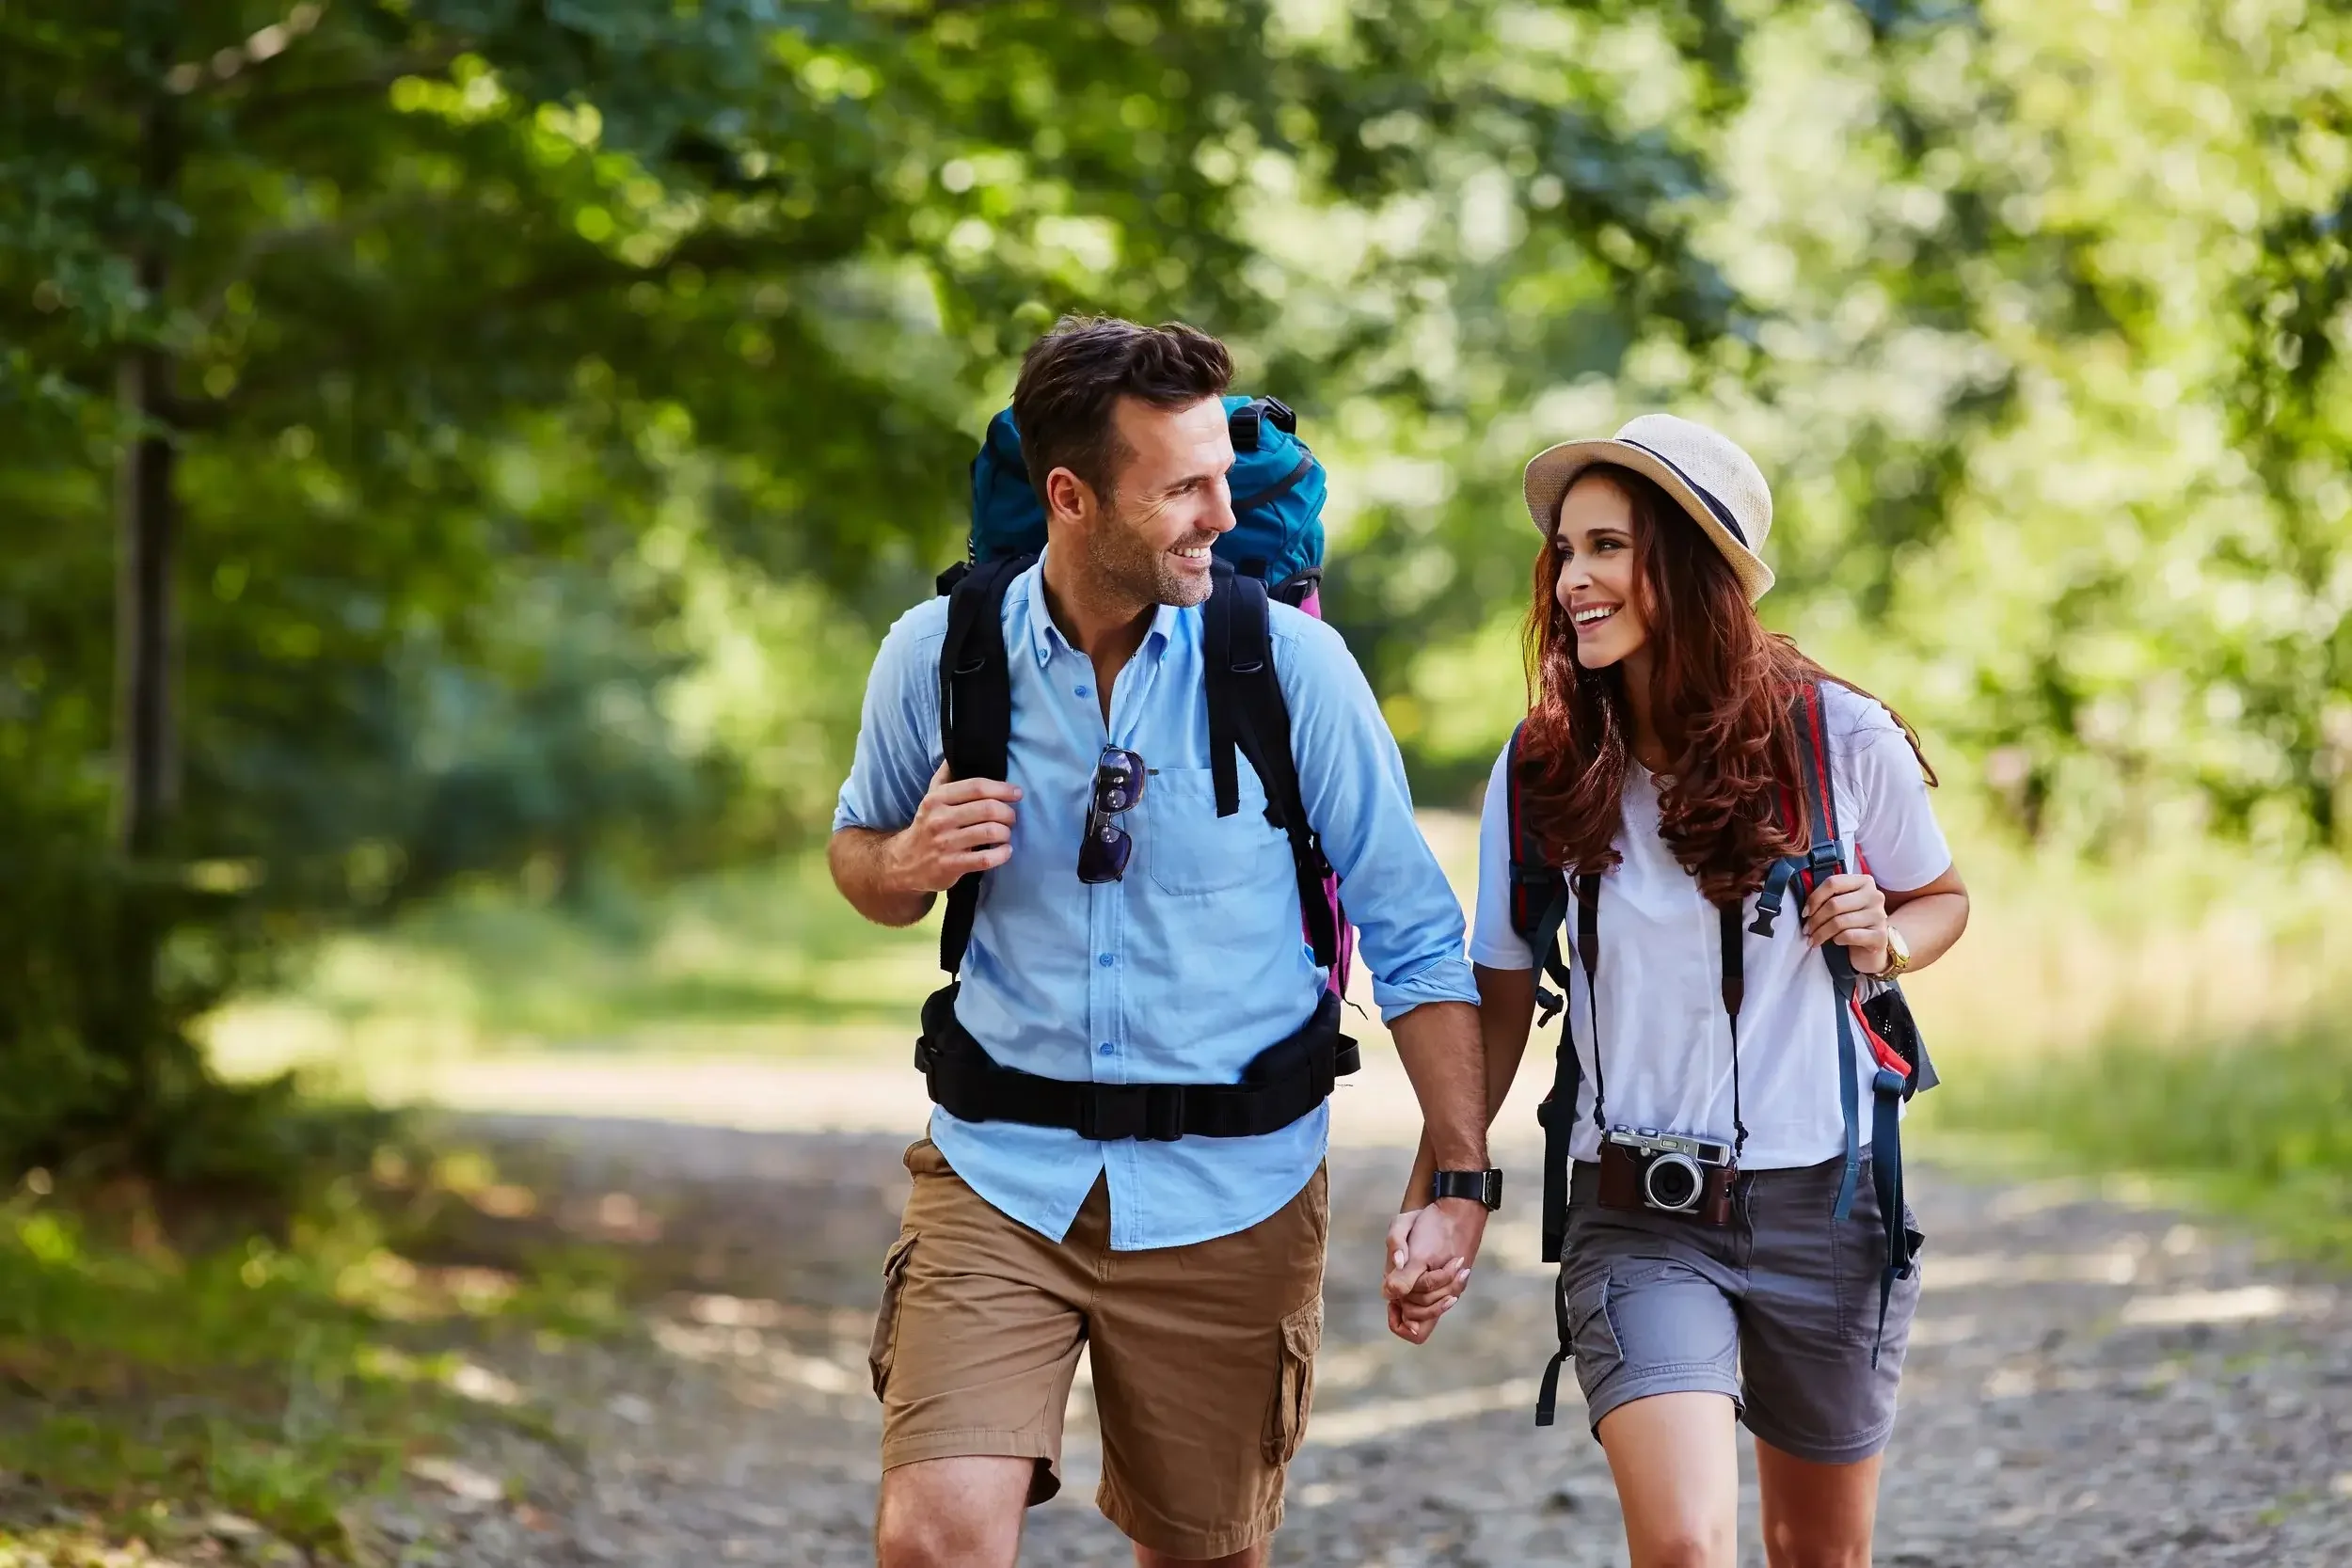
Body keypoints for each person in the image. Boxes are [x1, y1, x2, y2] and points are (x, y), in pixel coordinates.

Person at [828, 316, 1495, 1568]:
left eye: (1225, 478)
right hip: (998, 1176)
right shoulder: (941, 655)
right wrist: (904, 863)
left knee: (1205, 1554)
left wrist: (1458, 1174)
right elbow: (858, 855)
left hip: (1231, 1192)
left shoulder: (1288, 664)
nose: (1218, 511)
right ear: (1070, 497)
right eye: (1182, 486)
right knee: (931, 1537)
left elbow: (1414, 932)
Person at [1391, 414, 1970, 1567]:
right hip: (1639, 1212)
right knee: (1686, 1544)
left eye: (1608, 546)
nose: (1572, 580)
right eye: (1564, 550)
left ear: (1691, 564)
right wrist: (1446, 1187)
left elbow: (1942, 897)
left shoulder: (1839, 737)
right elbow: (1500, 987)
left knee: (1819, 1554)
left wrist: (1886, 936)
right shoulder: (1546, 760)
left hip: (1831, 1206)